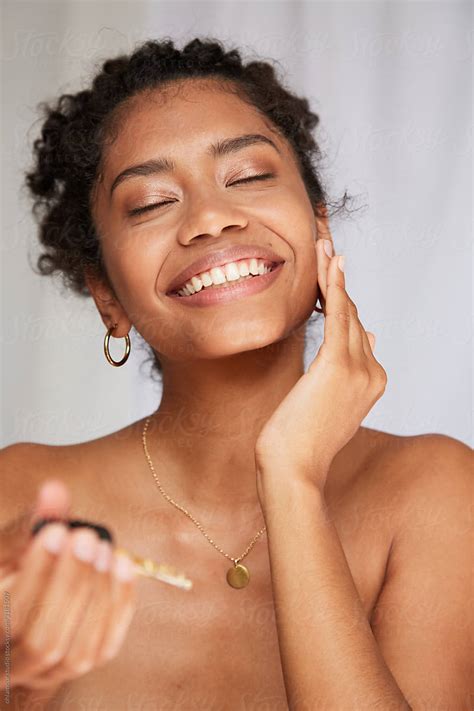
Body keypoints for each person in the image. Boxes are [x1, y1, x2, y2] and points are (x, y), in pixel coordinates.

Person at [1, 37, 471, 710]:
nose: (211, 219)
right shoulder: (19, 497)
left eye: (248, 176)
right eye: (151, 203)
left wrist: (292, 475)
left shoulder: (435, 495)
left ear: (320, 230)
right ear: (106, 292)